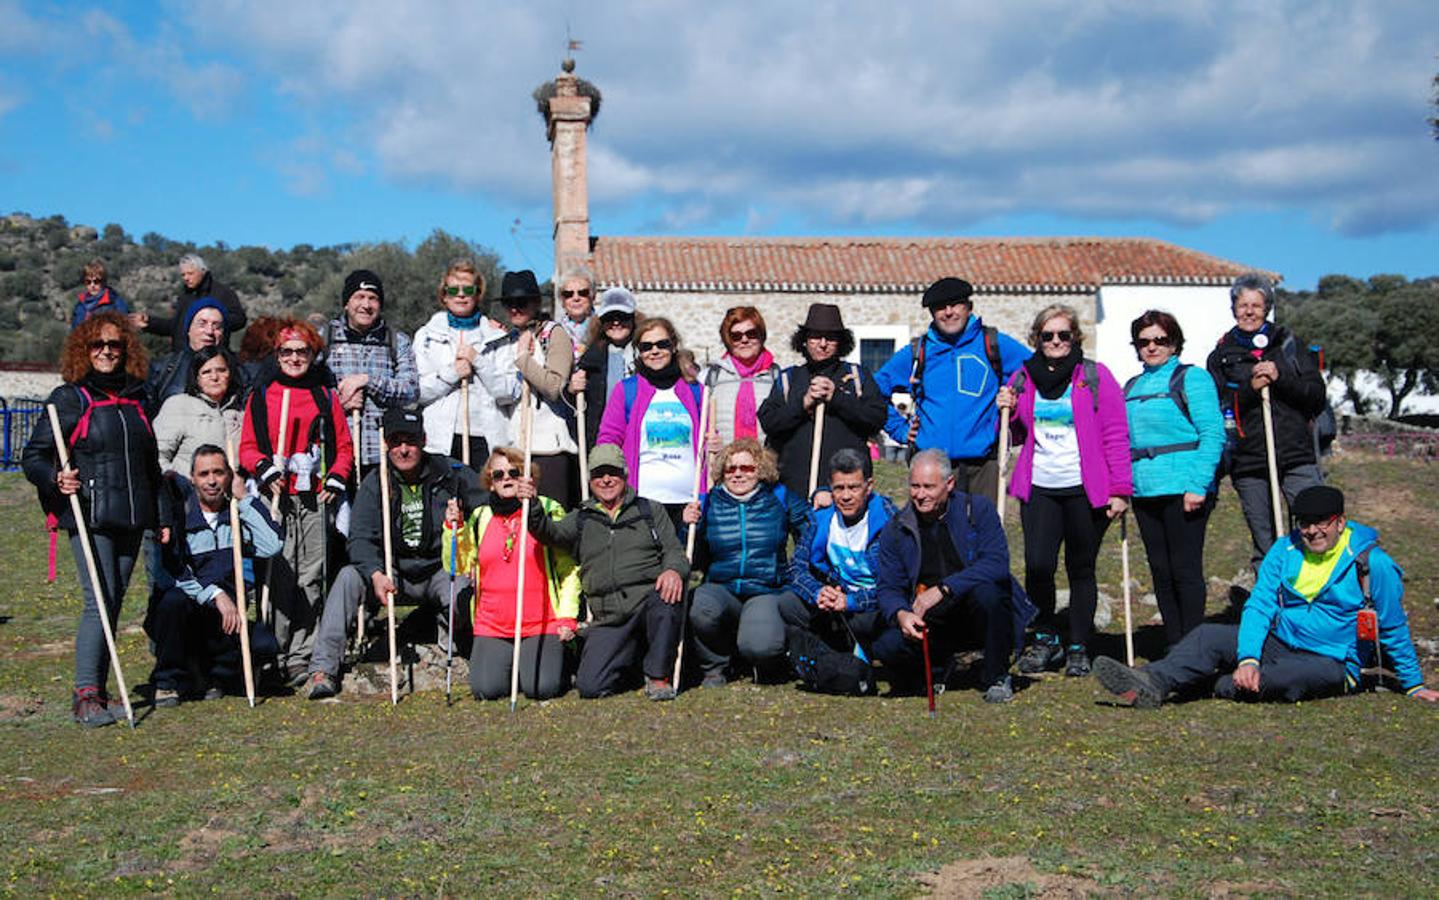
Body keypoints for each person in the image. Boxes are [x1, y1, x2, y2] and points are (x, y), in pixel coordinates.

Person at [1095, 486, 1437, 706]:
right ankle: (1152, 680)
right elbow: (1260, 605)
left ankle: (1212, 683)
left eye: (1323, 522)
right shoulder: (1284, 549)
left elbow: (1392, 626)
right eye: (1305, 523)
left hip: (1332, 661)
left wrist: (1413, 685)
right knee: (1208, 636)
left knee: (1280, 680)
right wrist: (1249, 656)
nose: (1313, 531)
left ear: (1341, 522)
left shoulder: (1373, 563)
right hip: (1279, 640)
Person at [22, 312, 169, 726]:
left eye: (115, 345)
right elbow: (33, 456)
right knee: (97, 602)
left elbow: (149, 464)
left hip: (132, 514)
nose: (106, 352)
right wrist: (56, 478)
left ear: (127, 349)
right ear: (83, 350)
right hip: (89, 516)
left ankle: (103, 694)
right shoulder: (69, 398)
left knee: (115, 602)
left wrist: (159, 514)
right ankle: (85, 695)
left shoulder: (140, 397)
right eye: (98, 345)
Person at [304, 409, 484, 699]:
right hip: (392, 570)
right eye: (396, 441)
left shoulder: (451, 474)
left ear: (423, 440)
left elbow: (488, 512)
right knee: (348, 577)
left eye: (410, 441)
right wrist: (375, 573)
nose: (403, 449)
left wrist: (472, 555)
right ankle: (323, 668)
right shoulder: (376, 482)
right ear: (386, 444)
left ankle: (447, 634)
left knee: (461, 592)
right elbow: (359, 538)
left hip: (440, 569)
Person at [998, 305, 1131, 678]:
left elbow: (1116, 434)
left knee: (1081, 567)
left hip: (1084, 488)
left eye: (1063, 335)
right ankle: (1044, 639)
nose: (1056, 342)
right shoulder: (1022, 379)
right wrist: (1003, 412)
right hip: (1040, 486)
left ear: (1075, 338)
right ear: (1036, 339)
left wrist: (1120, 489)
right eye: (1048, 335)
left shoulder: (1095, 376)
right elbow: (1013, 436)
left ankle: (1078, 645)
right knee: (1038, 566)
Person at [519, 444, 689, 701]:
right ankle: (631, 661)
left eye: (612, 472)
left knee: (667, 596)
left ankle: (658, 676)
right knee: (591, 687)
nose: (606, 479)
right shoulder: (582, 518)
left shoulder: (650, 511)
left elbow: (674, 551)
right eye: (599, 474)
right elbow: (547, 532)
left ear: (625, 474)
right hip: (608, 616)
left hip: (647, 603)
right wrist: (531, 503)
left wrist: (673, 570)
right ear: (590, 480)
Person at [239, 318, 353, 683]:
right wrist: (264, 470)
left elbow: (343, 446)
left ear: (312, 354)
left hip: (313, 497)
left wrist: (336, 476)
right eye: (286, 352)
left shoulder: (324, 394)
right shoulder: (262, 395)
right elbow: (247, 448)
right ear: (277, 354)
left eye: (302, 351)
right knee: (279, 573)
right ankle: (275, 648)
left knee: (311, 575)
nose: (294, 358)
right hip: (276, 496)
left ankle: (303, 654)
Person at [873, 450, 1031, 703]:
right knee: (886, 648)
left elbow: (997, 564)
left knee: (988, 592)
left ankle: (996, 675)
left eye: (928, 487)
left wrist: (944, 589)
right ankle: (940, 665)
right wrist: (901, 614)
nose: (920, 495)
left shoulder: (977, 510)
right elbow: (888, 587)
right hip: (932, 619)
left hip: (975, 608)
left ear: (949, 484)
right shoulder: (897, 528)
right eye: (915, 486)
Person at [1206, 272, 1328, 568]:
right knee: (1266, 542)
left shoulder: (1287, 344)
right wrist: (1251, 389)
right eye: (1243, 305)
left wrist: (1280, 378)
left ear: (1267, 308)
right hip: (1249, 461)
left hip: (1297, 455)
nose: (1249, 311)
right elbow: (1217, 405)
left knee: (1316, 528)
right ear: (1234, 308)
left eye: (1256, 306)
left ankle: (1319, 604)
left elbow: (1315, 395)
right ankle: (1274, 608)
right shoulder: (1221, 354)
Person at [146, 445, 283, 705]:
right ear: (193, 478)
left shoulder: (234, 516)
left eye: (218, 473)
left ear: (229, 476)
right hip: (185, 612)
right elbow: (169, 574)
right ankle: (167, 681)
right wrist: (215, 594)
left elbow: (272, 545)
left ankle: (212, 675)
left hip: (224, 618)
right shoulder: (179, 517)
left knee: (266, 646)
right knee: (173, 601)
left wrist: (244, 500)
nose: (211, 481)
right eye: (204, 474)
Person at [874, 277, 1029, 498]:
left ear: (969, 308)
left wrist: (1015, 403)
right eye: (940, 307)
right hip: (931, 467)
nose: (948, 312)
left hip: (983, 466)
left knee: (983, 530)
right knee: (935, 532)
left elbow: (1034, 375)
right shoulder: (918, 351)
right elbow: (876, 390)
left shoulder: (994, 343)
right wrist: (900, 429)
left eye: (955, 304)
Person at [1124, 310, 1225, 647]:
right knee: (1160, 571)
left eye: (1160, 340)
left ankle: (1194, 646)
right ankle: (1174, 642)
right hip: (1145, 490)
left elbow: (1212, 434)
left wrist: (1198, 486)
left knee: (1185, 570)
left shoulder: (1193, 379)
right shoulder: (1132, 387)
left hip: (1184, 488)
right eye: (1144, 341)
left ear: (1174, 343)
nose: (1151, 347)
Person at [447, 447, 579, 701]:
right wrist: (454, 530)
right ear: (490, 481)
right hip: (493, 624)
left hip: (541, 622)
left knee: (542, 689)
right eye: (498, 474)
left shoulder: (549, 510)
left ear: (528, 476)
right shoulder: (479, 517)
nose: (506, 478)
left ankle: (554, 659)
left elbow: (569, 570)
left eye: (514, 472)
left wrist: (567, 616)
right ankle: (514, 664)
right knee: (486, 690)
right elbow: (459, 564)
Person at [681, 439, 809, 686]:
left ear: (760, 470)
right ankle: (715, 666)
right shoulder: (707, 502)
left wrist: (820, 500)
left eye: (747, 468)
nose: (738, 474)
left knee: (760, 647)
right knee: (701, 608)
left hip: (766, 590)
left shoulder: (779, 497)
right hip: (722, 587)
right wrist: (687, 527)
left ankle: (764, 659)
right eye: (731, 469)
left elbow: (810, 530)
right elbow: (692, 557)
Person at [771, 448, 896, 675]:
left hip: (873, 602)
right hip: (836, 599)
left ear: (869, 486)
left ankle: (863, 651)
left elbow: (896, 584)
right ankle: (836, 649)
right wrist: (817, 592)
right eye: (839, 488)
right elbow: (796, 567)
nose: (846, 496)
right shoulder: (821, 519)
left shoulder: (889, 521)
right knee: (788, 603)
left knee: (867, 621)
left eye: (853, 487)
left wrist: (852, 601)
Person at [758, 303, 886, 503]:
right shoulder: (788, 379)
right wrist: (804, 403)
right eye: (816, 337)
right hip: (795, 490)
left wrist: (837, 398)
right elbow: (769, 422)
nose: (823, 343)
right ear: (804, 341)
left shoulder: (857, 376)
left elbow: (876, 418)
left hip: (846, 490)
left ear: (841, 342)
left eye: (831, 338)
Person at [595, 316, 706, 530]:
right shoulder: (627, 390)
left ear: (673, 346)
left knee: (684, 562)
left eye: (662, 344)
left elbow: (706, 440)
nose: (654, 351)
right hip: (641, 501)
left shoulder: (695, 391)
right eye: (646, 347)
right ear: (639, 352)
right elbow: (608, 441)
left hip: (689, 502)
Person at [493, 270, 579, 508]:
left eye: (522, 303)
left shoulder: (554, 334)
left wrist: (523, 360)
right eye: (509, 303)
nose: (515, 309)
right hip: (514, 450)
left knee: (550, 520)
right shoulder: (505, 339)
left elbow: (554, 387)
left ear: (537, 303)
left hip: (548, 451)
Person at [413, 259, 512, 467]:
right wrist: (453, 373)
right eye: (453, 290)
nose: (460, 295)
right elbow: (417, 391)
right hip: (441, 439)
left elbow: (507, 392)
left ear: (477, 295)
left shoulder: (497, 337)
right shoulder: (426, 336)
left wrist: (479, 361)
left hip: (485, 438)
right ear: (444, 296)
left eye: (468, 289)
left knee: (481, 498)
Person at [324, 270, 420, 470]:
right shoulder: (324, 339)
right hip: (335, 451)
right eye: (359, 297)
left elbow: (411, 391)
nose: (366, 305)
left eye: (373, 298)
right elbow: (308, 395)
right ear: (346, 303)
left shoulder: (396, 341)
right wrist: (339, 401)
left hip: (382, 453)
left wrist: (368, 380)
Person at [153, 346, 245, 476]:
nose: (214, 377)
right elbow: (157, 456)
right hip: (188, 492)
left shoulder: (240, 411)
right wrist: (180, 485)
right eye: (206, 372)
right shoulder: (178, 406)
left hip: (233, 493)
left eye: (221, 370)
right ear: (196, 378)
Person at [698, 306, 780, 449]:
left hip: (766, 464)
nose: (744, 340)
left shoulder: (777, 376)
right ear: (728, 340)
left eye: (751, 333)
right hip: (724, 464)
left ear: (761, 336)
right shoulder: (711, 377)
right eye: (736, 336)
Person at [570, 287, 640, 450]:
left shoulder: (646, 354)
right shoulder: (592, 358)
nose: (616, 322)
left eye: (622, 317)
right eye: (609, 317)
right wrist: (571, 389)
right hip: (604, 440)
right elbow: (576, 405)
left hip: (639, 436)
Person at [134, 254, 246, 349]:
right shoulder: (185, 297)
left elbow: (240, 319)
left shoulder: (222, 293)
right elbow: (175, 327)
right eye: (183, 274)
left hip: (211, 358)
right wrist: (149, 323)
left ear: (202, 271)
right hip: (182, 358)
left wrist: (216, 323)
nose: (186, 278)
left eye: (190, 273)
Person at [145, 297, 231, 413]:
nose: (209, 331)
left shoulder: (239, 373)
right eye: (202, 324)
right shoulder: (162, 370)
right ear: (188, 330)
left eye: (216, 326)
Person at [71, 258, 131, 328]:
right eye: (88, 282)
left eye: (96, 281)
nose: (92, 285)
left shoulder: (115, 302)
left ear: (104, 281)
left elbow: (125, 327)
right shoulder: (80, 305)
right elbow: (74, 329)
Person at [554, 267, 595, 354]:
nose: (576, 298)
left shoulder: (604, 327)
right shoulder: (553, 332)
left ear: (593, 296)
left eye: (583, 293)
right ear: (562, 300)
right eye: (568, 294)